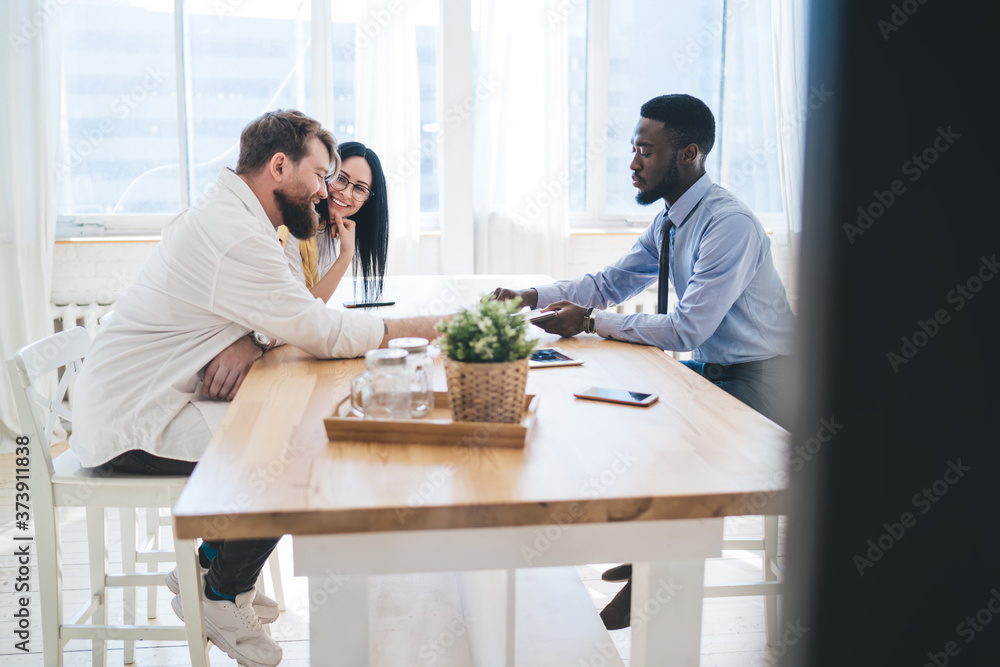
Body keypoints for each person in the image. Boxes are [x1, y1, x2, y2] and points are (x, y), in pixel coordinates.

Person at [69, 110, 443, 667]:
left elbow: (286, 308)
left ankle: (208, 570)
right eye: (320, 176)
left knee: (282, 426)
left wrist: (256, 338)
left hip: (153, 398)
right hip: (133, 424)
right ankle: (220, 593)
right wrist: (434, 326)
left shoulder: (247, 220)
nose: (325, 192)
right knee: (296, 454)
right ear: (278, 166)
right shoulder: (235, 233)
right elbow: (318, 327)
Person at [493, 94, 796, 630]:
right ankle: (648, 545)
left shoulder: (729, 225)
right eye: (633, 149)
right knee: (624, 413)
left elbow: (686, 328)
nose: (633, 163)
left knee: (678, 437)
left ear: (689, 154)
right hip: (717, 373)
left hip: (769, 384)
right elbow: (609, 283)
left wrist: (589, 322)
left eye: (645, 150)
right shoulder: (671, 220)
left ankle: (658, 567)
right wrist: (530, 295)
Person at [279, 141, 389, 304]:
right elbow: (301, 309)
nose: (345, 193)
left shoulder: (329, 230)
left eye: (360, 189)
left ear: (367, 202)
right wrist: (346, 255)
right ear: (324, 175)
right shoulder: (290, 227)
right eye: (340, 178)